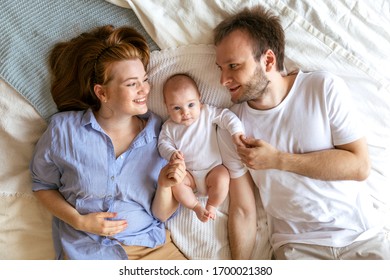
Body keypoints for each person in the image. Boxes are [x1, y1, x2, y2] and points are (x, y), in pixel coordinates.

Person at [213, 5, 390, 259]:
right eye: (220, 68)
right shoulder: (233, 126)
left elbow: (359, 166)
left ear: (269, 60)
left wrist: (278, 160)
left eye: (233, 65)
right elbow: (243, 210)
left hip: (360, 238)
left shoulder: (322, 88)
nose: (223, 80)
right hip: (297, 248)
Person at [30, 25, 188, 260]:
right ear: (102, 93)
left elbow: (162, 215)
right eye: (132, 84)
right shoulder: (63, 131)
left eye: (144, 80)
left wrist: (165, 186)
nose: (144, 89)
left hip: (152, 250)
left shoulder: (162, 134)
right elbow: (42, 185)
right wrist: (79, 220)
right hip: (88, 254)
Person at [158, 73, 244, 222]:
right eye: (177, 108)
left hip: (213, 169)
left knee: (223, 177)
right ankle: (196, 207)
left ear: (199, 98)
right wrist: (171, 154)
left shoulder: (207, 113)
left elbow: (226, 116)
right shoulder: (168, 127)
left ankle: (211, 206)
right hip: (188, 174)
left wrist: (236, 132)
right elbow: (162, 145)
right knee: (176, 183)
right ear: (166, 107)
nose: (185, 113)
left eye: (191, 104)